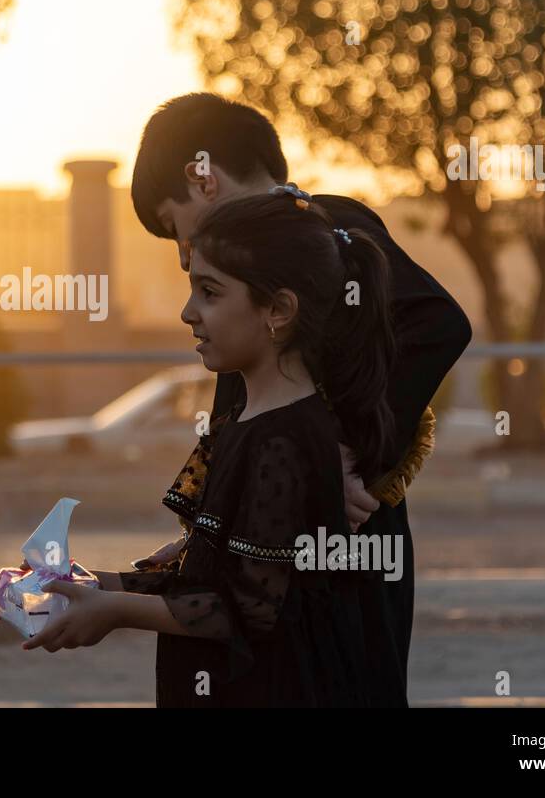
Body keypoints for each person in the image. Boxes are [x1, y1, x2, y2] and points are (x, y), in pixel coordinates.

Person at [122, 93, 472, 705]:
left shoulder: (322, 229)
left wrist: (345, 452)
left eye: (174, 226)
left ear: (202, 177)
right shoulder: (246, 273)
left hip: (346, 543)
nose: (182, 256)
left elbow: (439, 324)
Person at [15, 194, 394, 706]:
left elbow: (249, 609)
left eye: (210, 292)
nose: (187, 312)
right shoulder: (239, 420)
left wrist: (114, 611)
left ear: (278, 310)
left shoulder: (285, 440)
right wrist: (81, 586)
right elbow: (204, 573)